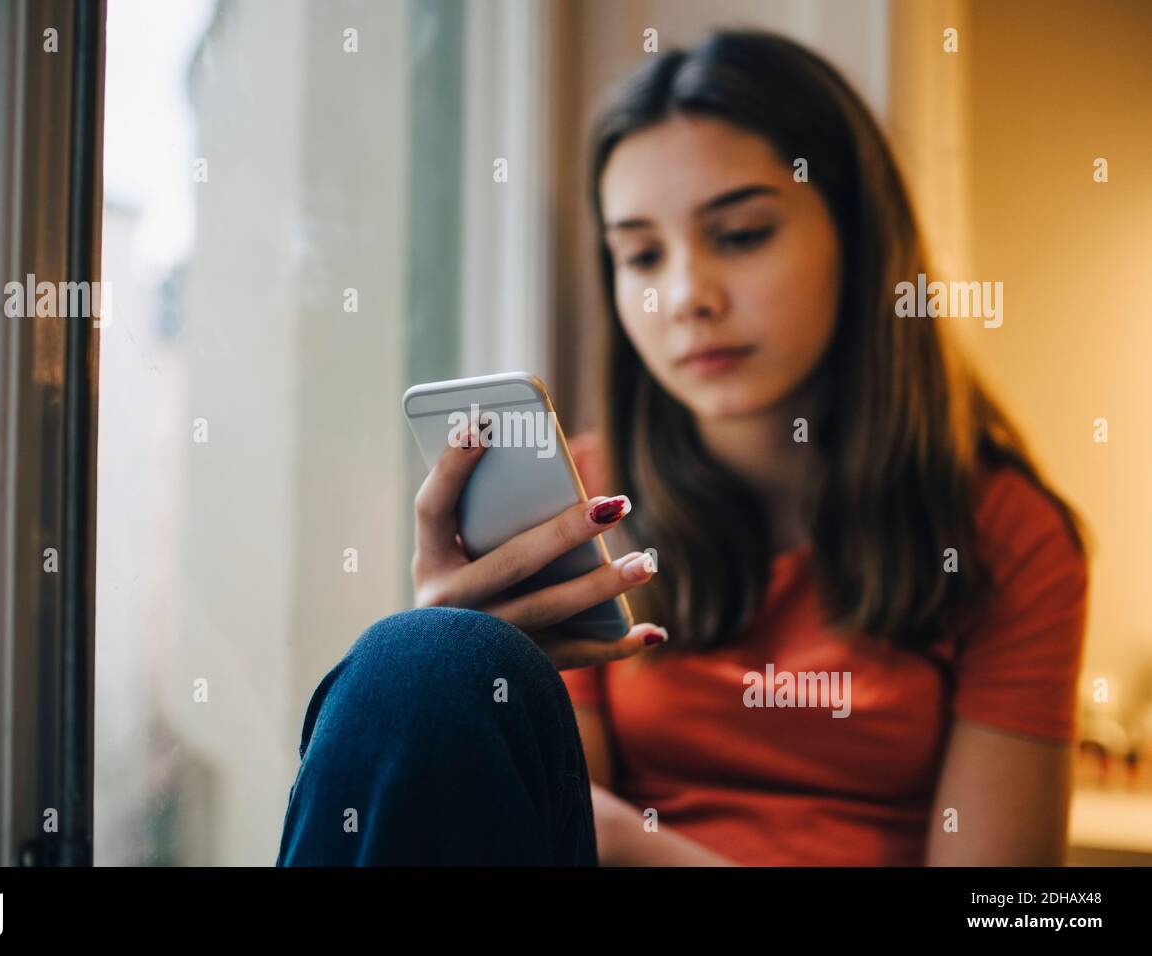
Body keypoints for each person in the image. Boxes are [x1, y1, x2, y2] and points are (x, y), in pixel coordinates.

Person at [276, 28, 1089, 867]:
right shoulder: (584, 504)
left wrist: (634, 844)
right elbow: (550, 831)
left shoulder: (1007, 535)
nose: (685, 296)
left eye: (740, 236)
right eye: (641, 254)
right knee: (420, 659)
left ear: (860, 237)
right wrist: (472, 678)